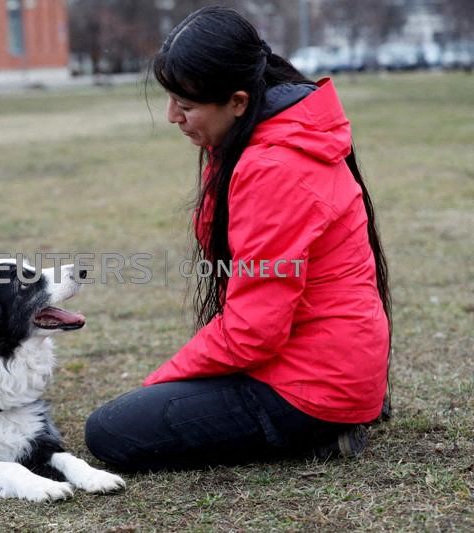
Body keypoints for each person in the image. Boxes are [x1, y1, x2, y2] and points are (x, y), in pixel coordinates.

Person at [85, 6, 391, 472]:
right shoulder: (271, 139)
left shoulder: (273, 167)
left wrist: (157, 383)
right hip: (333, 371)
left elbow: (253, 331)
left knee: (111, 430)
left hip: (313, 387)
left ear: (239, 102)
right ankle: (330, 422)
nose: (172, 117)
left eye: (185, 106)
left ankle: (323, 432)